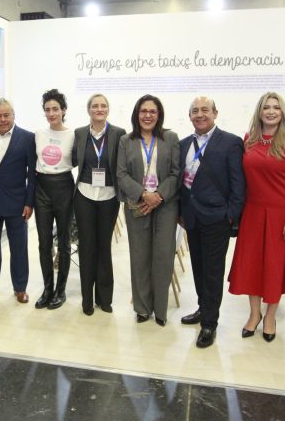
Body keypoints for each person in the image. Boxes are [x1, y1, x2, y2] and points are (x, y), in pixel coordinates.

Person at [228, 92, 285, 342]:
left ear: (283, 112)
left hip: (282, 213)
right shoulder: (249, 140)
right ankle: (254, 314)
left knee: (274, 266)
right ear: (259, 112)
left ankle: (270, 316)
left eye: (276, 107)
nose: (271, 111)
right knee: (252, 265)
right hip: (252, 212)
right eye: (266, 107)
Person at [178, 96, 245, 348]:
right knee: (198, 267)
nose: (200, 114)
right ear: (190, 116)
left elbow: (238, 185)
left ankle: (209, 324)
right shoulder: (184, 144)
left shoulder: (230, 142)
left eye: (205, 110)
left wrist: (230, 215)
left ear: (215, 113)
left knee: (213, 272)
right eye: (195, 111)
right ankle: (202, 308)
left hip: (217, 218)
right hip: (191, 217)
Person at [117, 94, 180, 326]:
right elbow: (121, 174)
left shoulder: (170, 138)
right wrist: (144, 194)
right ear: (137, 114)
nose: (147, 115)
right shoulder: (126, 141)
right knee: (140, 257)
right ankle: (142, 308)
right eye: (143, 111)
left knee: (163, 257)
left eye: (152, 111)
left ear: (159, 115)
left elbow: (176, 173)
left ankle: (161, 311)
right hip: (138, 203)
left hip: (165, 205)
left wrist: (159, 196)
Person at [0, 98, 36, 304]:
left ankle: (20, 288)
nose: (2, 119)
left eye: (6, 115)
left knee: (19, 249)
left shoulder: (28, 138)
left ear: (13, 115)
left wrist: (29, 203)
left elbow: (33, 175)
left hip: (17, 204)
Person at [72, 94, 126, 315]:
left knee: (103, 247)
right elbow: (73, 159)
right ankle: (87, 300)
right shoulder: (80, 133)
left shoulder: (118, 134)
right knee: (86, 247)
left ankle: (104, 299)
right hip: (84, 194)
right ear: (89, 110)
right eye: (95, 106)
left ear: (108, 109)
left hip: (109, 196)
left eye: (103, 105)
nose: (99, 109)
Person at [33, 89, 75, 310]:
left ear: (63, 110)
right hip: (42, 189)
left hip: (64, 188)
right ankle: (47, 289)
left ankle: (61, 290)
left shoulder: (73, 135)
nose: (51, 113)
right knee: (43, 243)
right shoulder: (39, 134)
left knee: (64, 242)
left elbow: (77, 161)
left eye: (55, 109)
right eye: (48, 109)